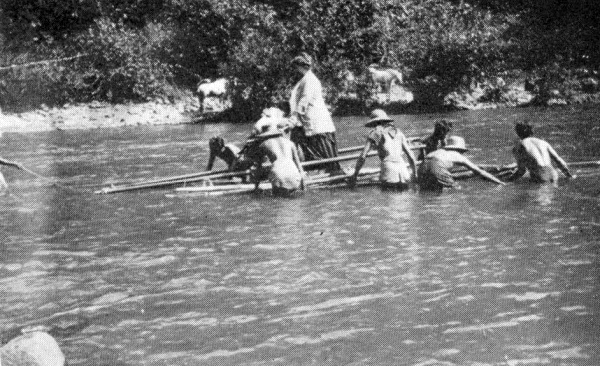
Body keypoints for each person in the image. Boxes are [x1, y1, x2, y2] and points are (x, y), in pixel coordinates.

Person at [289, 52, 342, 174]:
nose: (295, 70)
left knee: (320, 147)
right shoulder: (305, 79)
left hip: (315, 121)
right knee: (302, 143)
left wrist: (294, 118)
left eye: (296, 67)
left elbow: (304, 100)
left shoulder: (310, 80)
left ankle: (330, 171)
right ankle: (307, 169)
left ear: (300, 66)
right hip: (307, 120)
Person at [349, 109, 417, 190]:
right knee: (403, 200)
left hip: (389, 173)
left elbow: (363, 156)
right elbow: (411, 156)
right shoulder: (399, 133)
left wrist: (355, 174)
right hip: (403, 172)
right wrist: (415, 174)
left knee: (389, 200)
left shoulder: (375, 133)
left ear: (374, 122)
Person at [418, 136, 505, 191]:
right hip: (437, 166)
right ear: (459, 149)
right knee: (455, 190)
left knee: (427, 191)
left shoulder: (438, 151)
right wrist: (499, 182)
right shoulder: (457, 155)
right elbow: (479, 171)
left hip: (422, 168)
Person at [505, 121, 575, 184]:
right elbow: (559, 161)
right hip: (553, 174)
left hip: (539, 176)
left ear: (517, 133)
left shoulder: (519, 147)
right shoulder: (543, 142)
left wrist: (507, 180)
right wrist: (569, 176)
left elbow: (521, 171)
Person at [254, 121, 306, 197]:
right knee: (293, 203)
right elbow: (299, 165)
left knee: (279, 200)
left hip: (278, 177)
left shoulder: (264, 144)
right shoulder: (290, 142)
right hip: (294, 174)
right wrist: (303, 183)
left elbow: (259, 168)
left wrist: (256, 186)